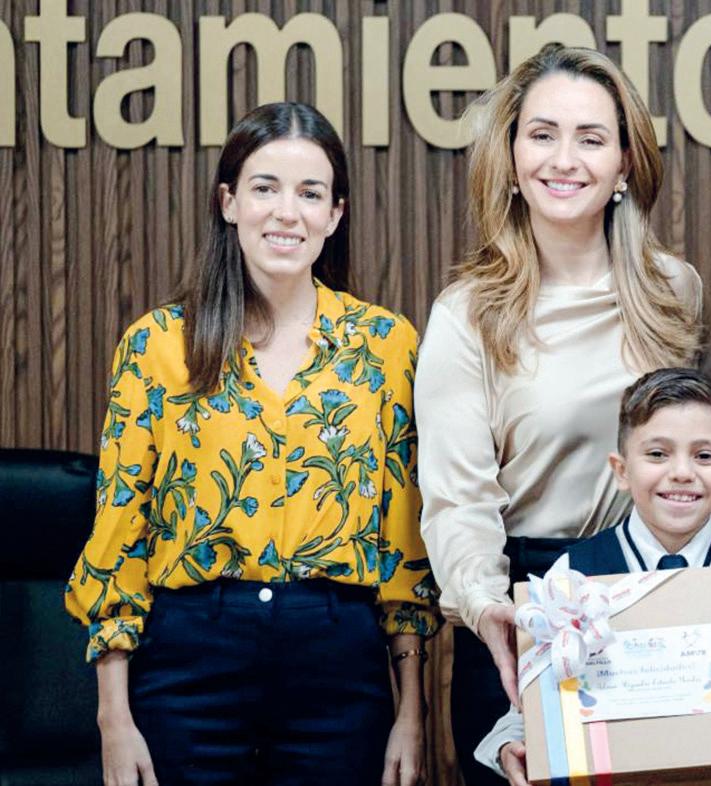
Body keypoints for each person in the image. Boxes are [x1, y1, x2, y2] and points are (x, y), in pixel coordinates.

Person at [65, 102, 439, 786]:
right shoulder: (158, 345)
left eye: (310, 193)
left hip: (338, 664)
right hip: (188, 661)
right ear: (229, 202)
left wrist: (410, 711)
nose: (286, 213)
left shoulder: (385, 346)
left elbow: (403, 542)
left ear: (335, 214)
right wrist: (112, 718)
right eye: (265, 188)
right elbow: (119, 531)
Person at [415, 44, 702, 784]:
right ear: (511, 158)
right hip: (526, 614)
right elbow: (456, 499)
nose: (564, 159)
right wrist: (488, 608)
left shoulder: (675, 293)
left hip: (653, 606)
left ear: (624, 164)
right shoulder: (467, 315)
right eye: (542, 135)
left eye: (590, 138)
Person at [470, 367, 711, 785]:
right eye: (657, 454)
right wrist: (512, 746)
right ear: (621, 470)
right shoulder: (569, 579)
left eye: (705, 456)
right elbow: (528, 709)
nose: (682, 472)